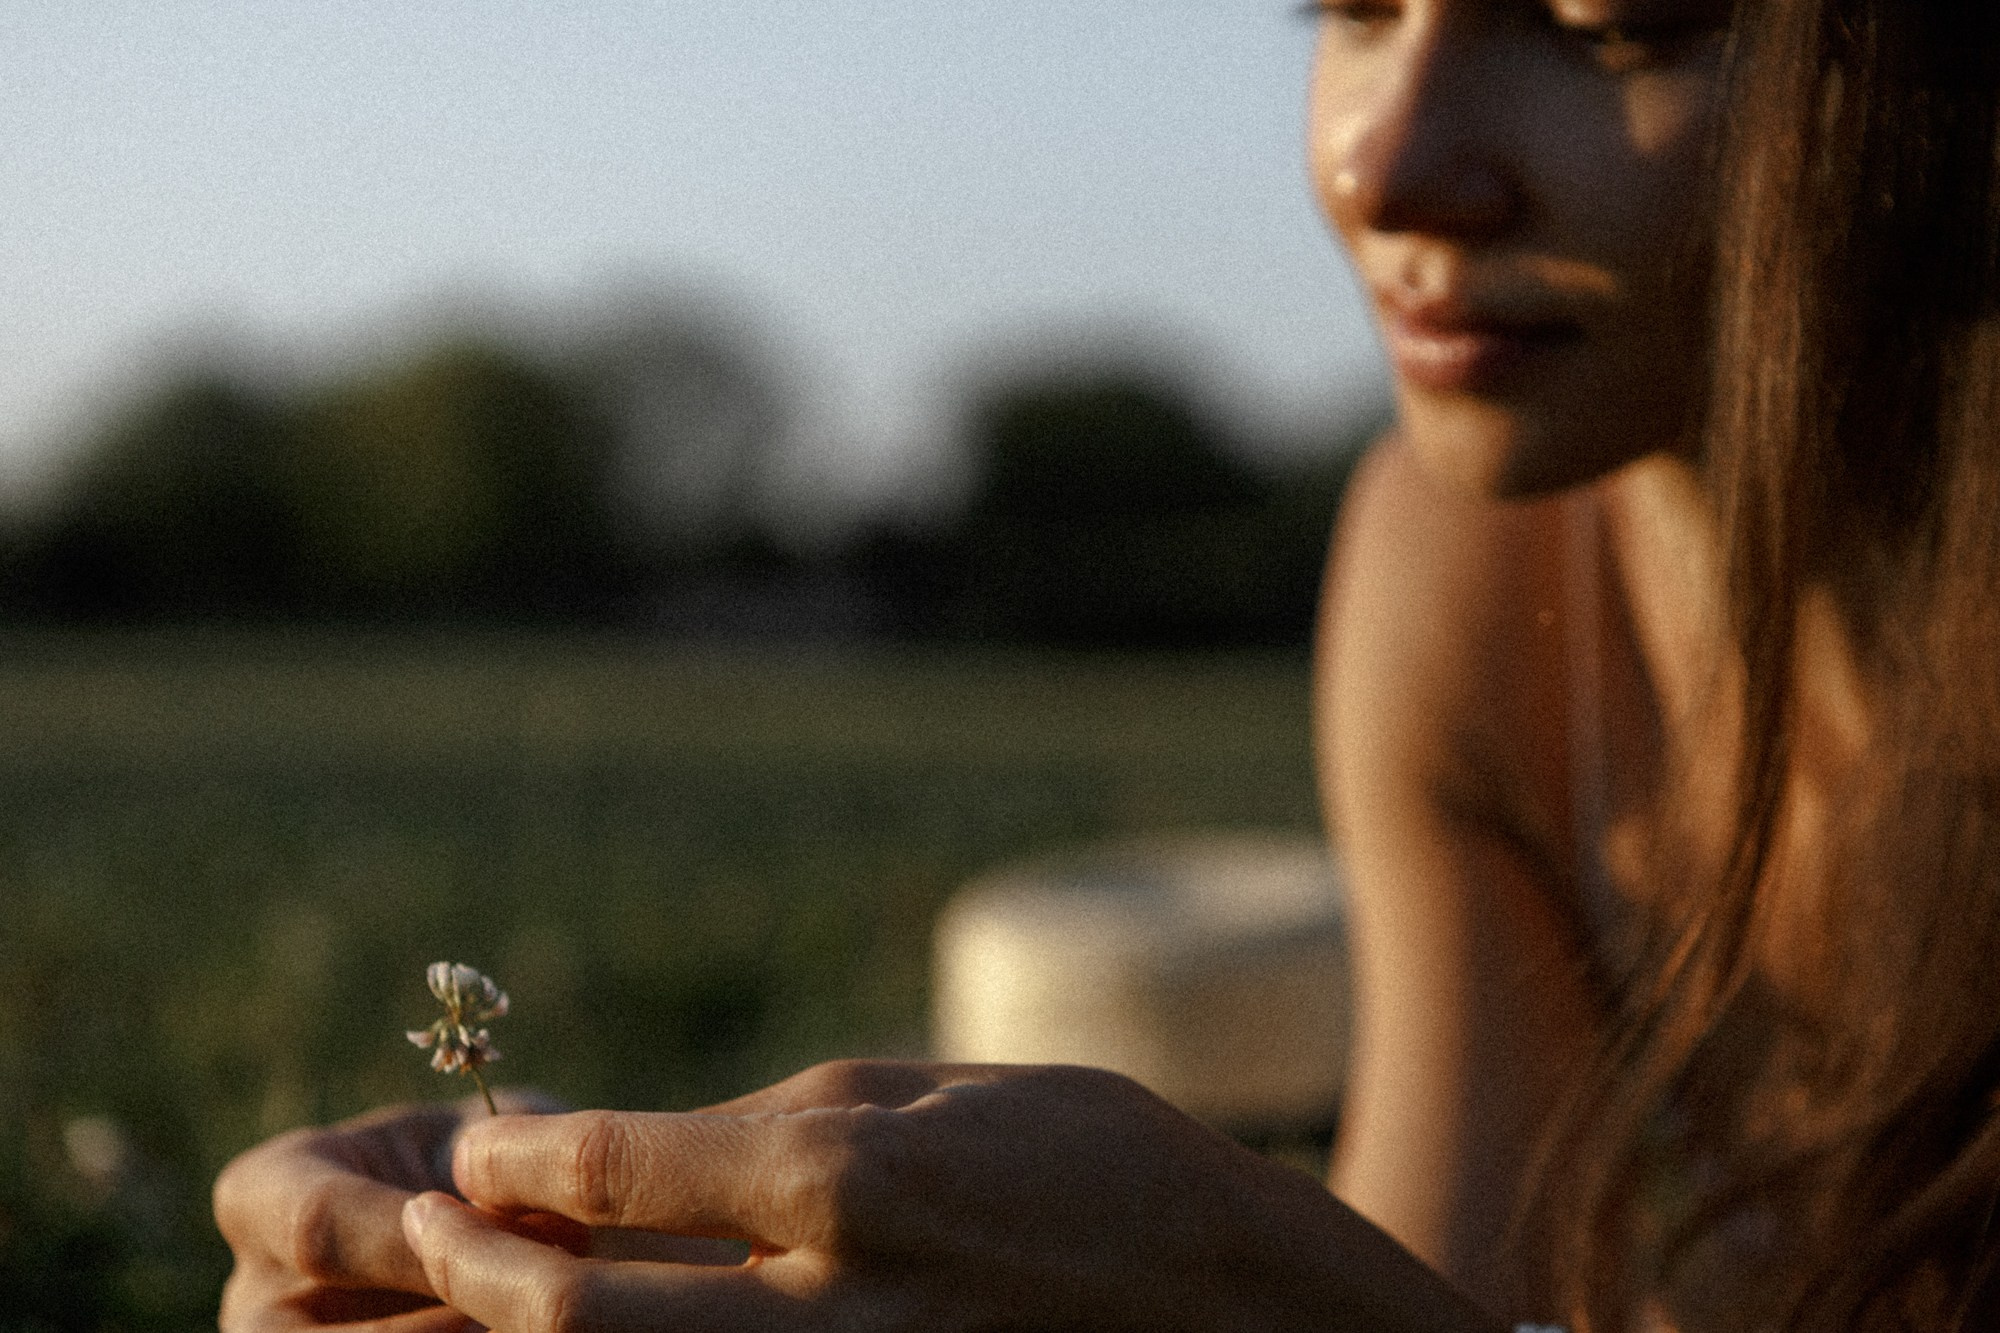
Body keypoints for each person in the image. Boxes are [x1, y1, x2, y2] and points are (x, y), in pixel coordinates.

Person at [212, 0, 2000, 1328]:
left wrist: (1257, 1280)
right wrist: (647, 1256)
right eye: (1353, 10)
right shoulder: (1471, 566)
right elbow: (1462, 1292)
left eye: (1605, 24)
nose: (1385, 153)